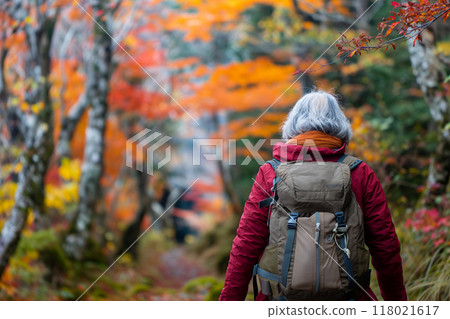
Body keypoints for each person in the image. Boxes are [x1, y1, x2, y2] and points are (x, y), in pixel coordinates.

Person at [219, 90, 407, 301]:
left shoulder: (270, 173)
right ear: (340, 124)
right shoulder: (360, 173)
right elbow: (386, 248)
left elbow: (246, 246)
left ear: (293, 125)